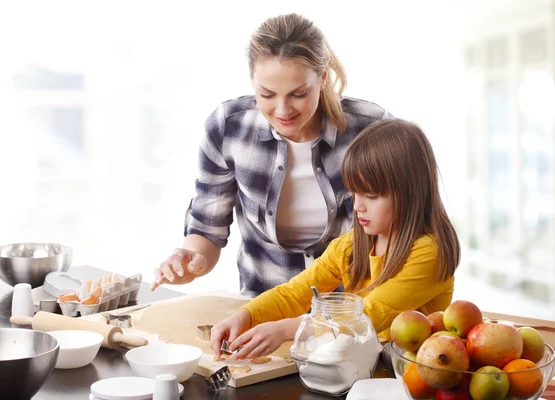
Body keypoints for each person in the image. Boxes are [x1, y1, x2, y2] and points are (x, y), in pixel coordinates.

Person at [150, 13, 391, 296]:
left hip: (354, 317)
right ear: (252, 82)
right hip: (262, 316)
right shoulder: (229, 128)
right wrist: (190, 261)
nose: (282, 110)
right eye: (267, 94)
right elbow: (206, 230)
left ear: (323, 78)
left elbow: (406, 234)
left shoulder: (373, 130)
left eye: (299, 94)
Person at [209, 119, 461, 360]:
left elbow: (368, 316)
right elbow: (295, 293)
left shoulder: (429, 252)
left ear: (410, 193)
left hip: (406, 378)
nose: (357, 207)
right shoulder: (352, 244)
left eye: (371, 196)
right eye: (354, 193)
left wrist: (287, 329)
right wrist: (245, 316)